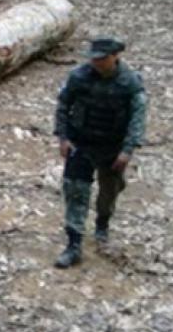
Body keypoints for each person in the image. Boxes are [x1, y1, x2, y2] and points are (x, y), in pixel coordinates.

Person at [52, 38, 148, 268]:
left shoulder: (130, 83)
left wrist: (127, 150)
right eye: (94, 58)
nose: (97, 63)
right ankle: (74, 244)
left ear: (115, 57)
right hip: (80, 143)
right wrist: (63, 137)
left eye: (102, 59)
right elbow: (63, 105)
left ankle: (102, 223)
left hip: (112, 147)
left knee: (109, 191)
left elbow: (138, 118)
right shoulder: (78, 76)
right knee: (75, 190)